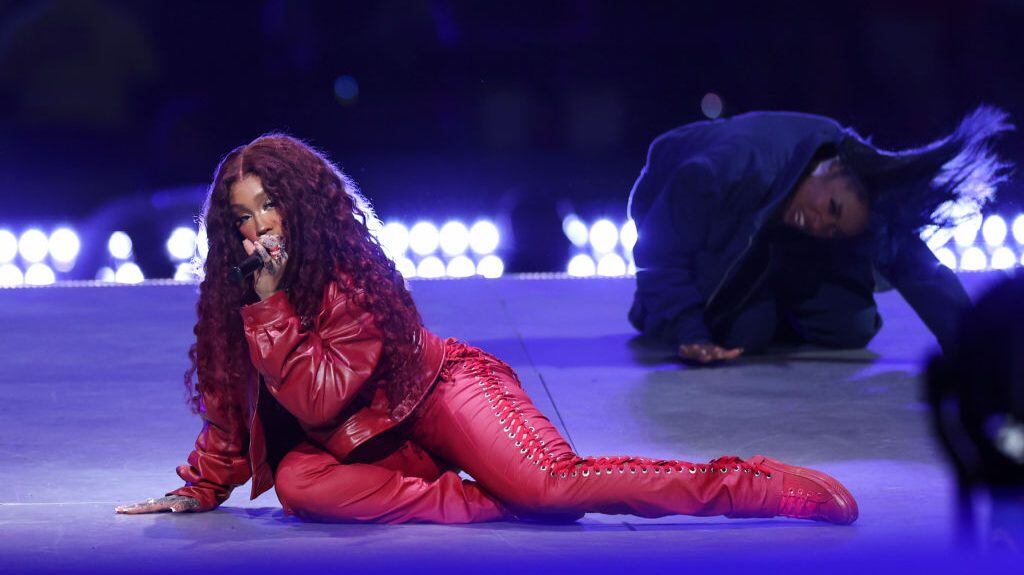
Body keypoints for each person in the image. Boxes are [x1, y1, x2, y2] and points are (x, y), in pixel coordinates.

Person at [115, 134, 857, 525]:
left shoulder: (346, 275)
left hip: (441, 392)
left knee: (554, 484)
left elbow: (319, 396)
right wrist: (201, 486)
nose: (257, 228)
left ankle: (748, 485)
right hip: (367, 441)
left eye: (268, 206)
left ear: (299, 205)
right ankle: (501, 504)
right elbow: (230, 400)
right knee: (299, 485)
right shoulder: (243, 294)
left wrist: (272, 306)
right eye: (241, 217)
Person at [627, 108, 1013, 364]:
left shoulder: (850, 182)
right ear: (828, 169)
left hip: (771, 235)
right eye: (830, 209)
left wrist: (974, 349)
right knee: (747, 333)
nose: (818, 223)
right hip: (687, 218)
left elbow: (919, 269)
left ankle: (768, 294)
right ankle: (662, 310)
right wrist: (689, 330)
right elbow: (658, 256)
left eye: (832, 229)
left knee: (851, 327)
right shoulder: (721, 171)